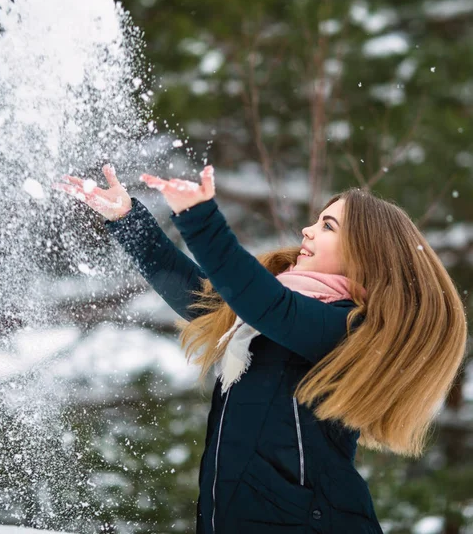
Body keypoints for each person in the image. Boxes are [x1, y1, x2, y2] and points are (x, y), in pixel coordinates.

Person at [53, 163, 468, 534]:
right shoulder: (274, 315)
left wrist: (200, 217)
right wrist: (127, 219)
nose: (307, 230)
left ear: (365, 252)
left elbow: (264, 302)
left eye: (328, 226)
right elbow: (199, 297)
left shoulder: (347, 328)